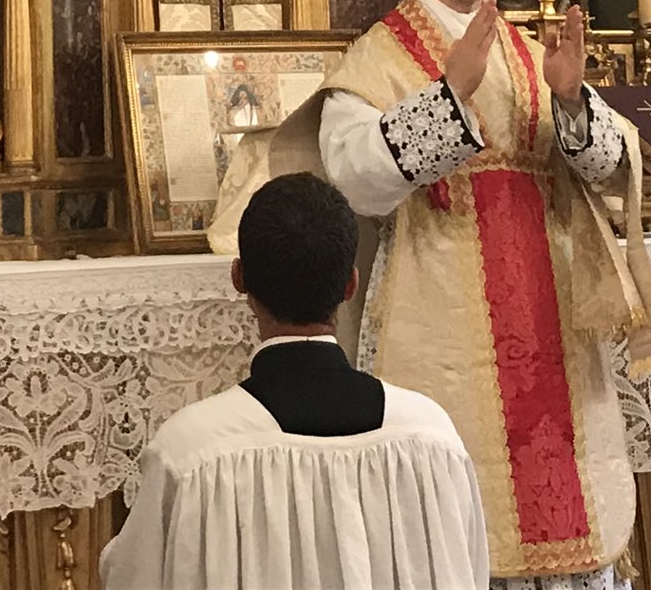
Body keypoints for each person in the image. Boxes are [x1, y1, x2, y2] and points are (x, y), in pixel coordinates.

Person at [211, 0, 651, 589]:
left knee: (563, 503)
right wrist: (449, 94)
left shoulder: (525, 51)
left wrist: (574, 100)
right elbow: (354, 176)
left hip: (547, 319)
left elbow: (610, 170)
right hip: (440, 307)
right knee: (449, 519)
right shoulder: (379, 55)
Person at [100, 172, 490, 590]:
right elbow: (470, 570)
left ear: (239, 279)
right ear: (350, 284)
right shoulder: (431, 436)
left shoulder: (192, 450)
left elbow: (130, 576)